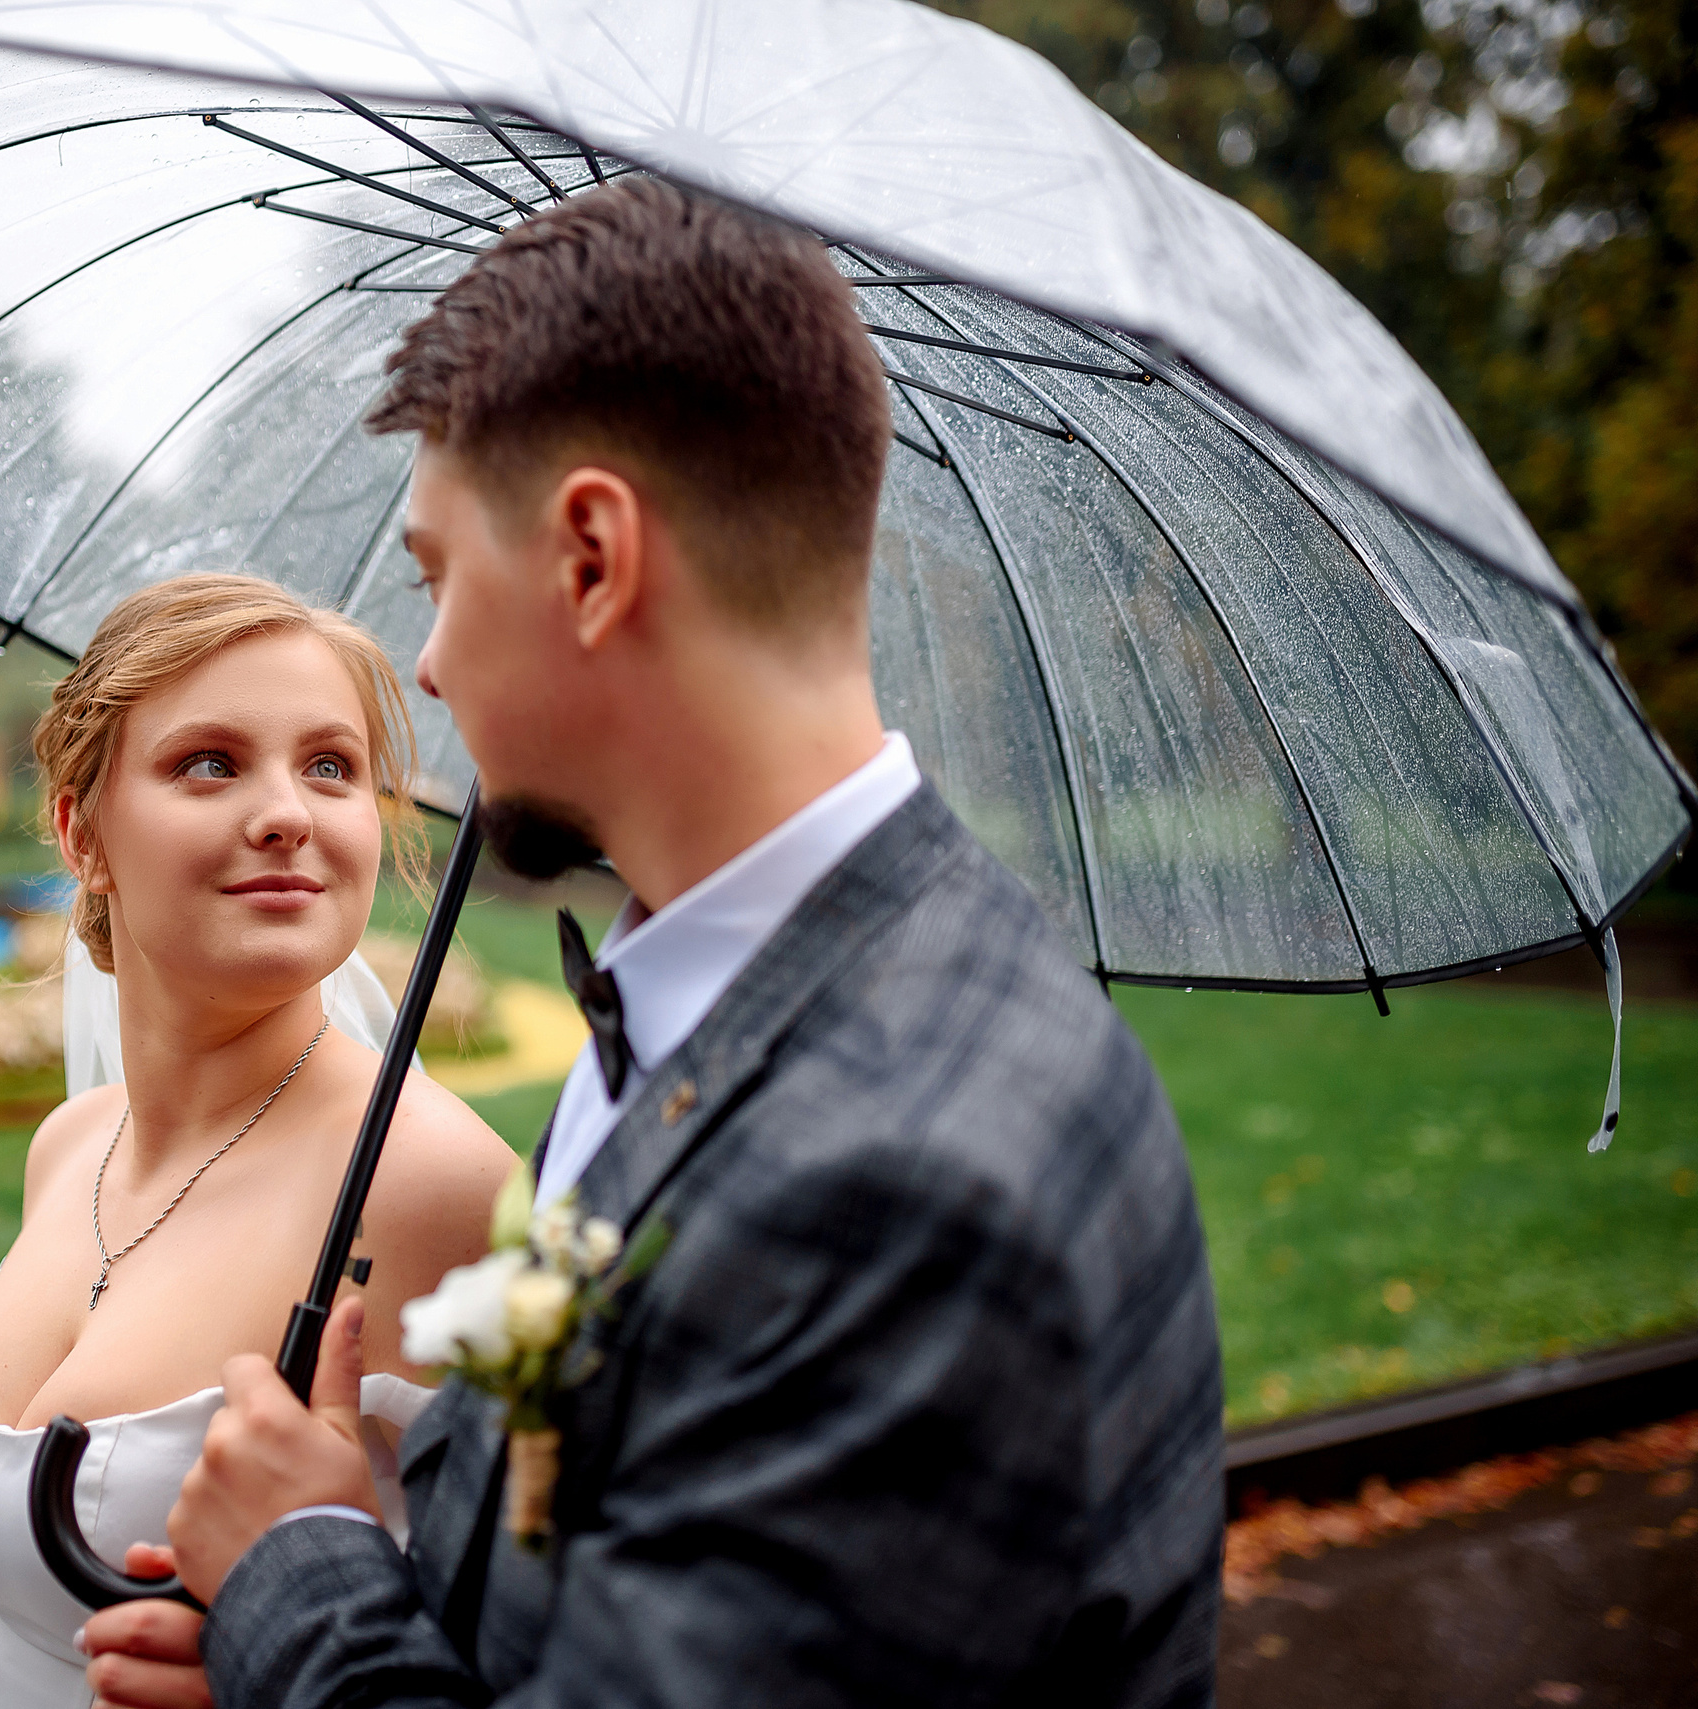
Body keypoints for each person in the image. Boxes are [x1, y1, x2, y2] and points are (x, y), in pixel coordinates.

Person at [79, 180, 1225, 1707]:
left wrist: (297, 1572)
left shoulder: (899, 1176)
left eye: (437, 577)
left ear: (591, 558)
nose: (428, 668)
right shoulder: (730, 1000)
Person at [0, 574, 518, 1709]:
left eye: (330, 765)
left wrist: (280, 1656)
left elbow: (573, 1645)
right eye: (209, 761)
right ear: (81, 831)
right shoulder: (71, 1145)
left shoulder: (436, 1187)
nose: (287, 811)